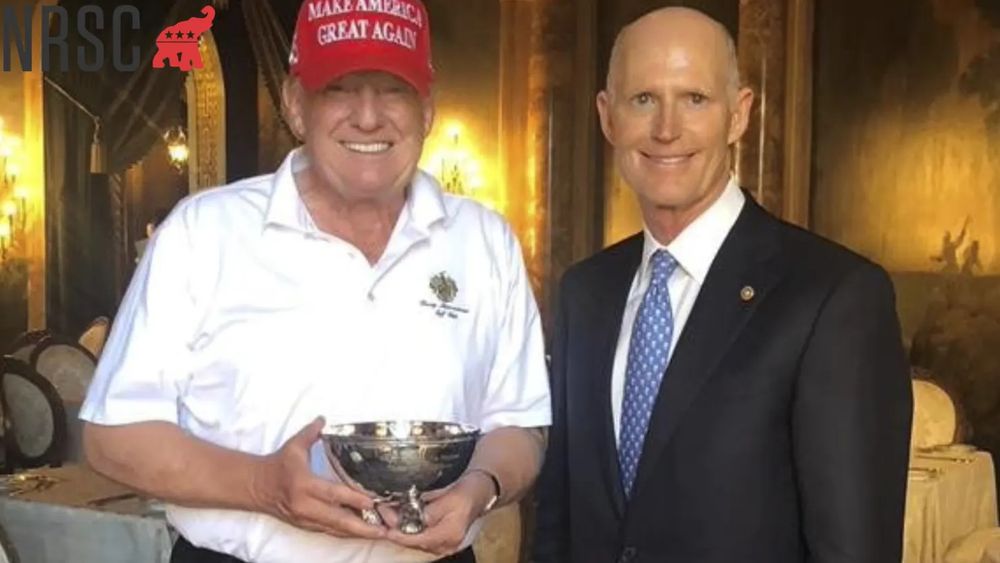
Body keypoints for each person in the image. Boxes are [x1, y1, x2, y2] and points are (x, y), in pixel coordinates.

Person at [80, 1, 550, 562]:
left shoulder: (484, 241)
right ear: (295, 104)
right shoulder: (204, 233)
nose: (368, 117)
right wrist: (262, 487)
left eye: (393, 89)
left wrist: (481, 489)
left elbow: (520, 426)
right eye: (339, 89)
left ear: (428, 107)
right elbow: (112, 437)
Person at [533, 7, 912, 563]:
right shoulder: (584, 294)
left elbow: (854, 550)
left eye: (695, 99)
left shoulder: (835, 298)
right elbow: (558, 524)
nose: (666, 129)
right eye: (643, 99)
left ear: (739, 115)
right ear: (607, 116)